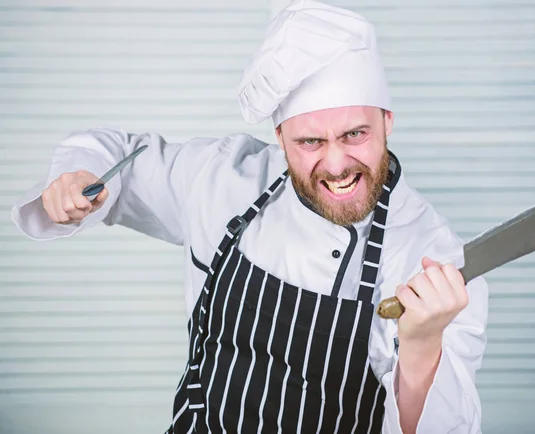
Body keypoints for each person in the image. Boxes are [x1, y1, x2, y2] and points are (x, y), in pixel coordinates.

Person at [11, 1, 488, 433]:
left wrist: (423, 347)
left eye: (355, 133)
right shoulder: (222, 178)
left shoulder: (432, 258)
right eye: (310, 142)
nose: (338, 163)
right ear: (280, 137)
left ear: (387, 121)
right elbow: (120, 156)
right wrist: (79, 177)